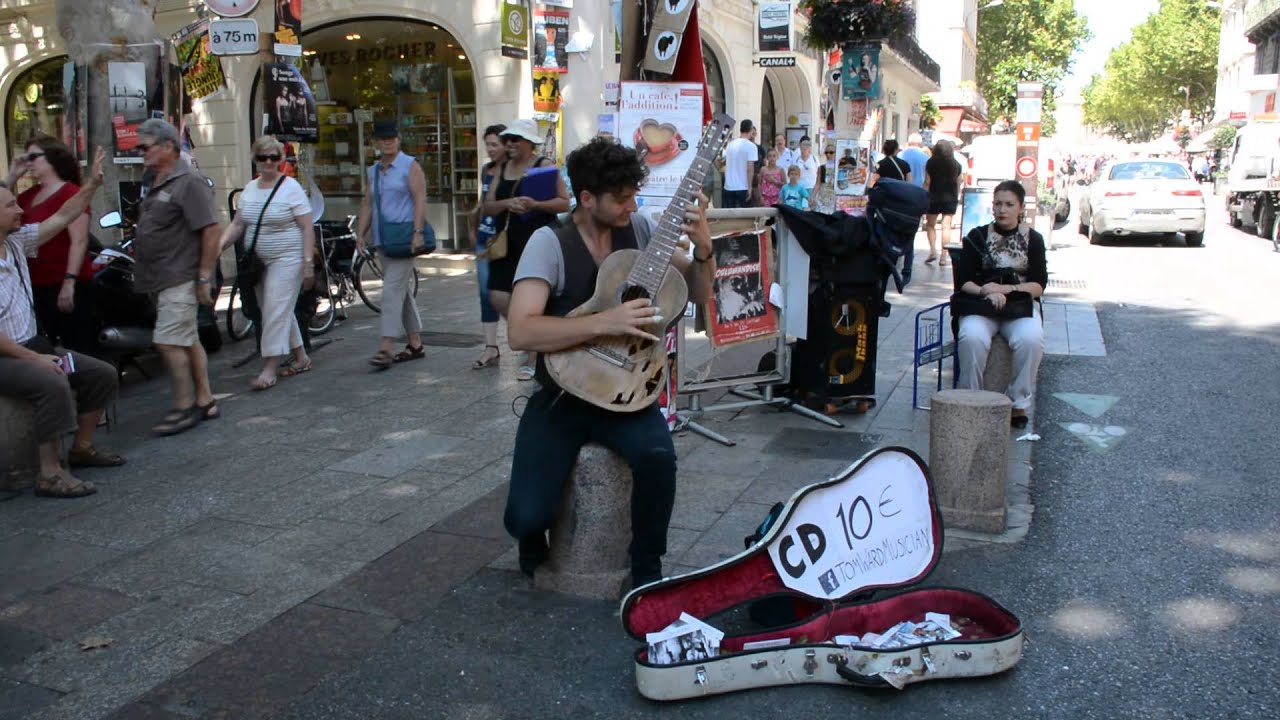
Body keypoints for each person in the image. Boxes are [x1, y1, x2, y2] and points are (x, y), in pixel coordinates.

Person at [503, 137, 714, 588]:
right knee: (523, 517)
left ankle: (645, 569)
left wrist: (703, 250)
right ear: (585, 198)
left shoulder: (638, 229)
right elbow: (521, 331)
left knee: (658, 457)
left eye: (633, 194)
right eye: (620, 198)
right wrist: (606, 320)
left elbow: (695, 293)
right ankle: (532, 538)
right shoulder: (549, 243)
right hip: (564, 392)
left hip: (628, 390)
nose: (631, 205)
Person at [1, 147, 124, 498]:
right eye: (11, 206)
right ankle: (50, 473)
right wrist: (36, 359)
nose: (20, 210)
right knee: (52, 382)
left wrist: (91, 186)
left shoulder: (16, 242)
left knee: (100, 373)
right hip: (7, 356)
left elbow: (63, 216)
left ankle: (81, 447)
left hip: (32, 345)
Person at [131, 119, 222, 436]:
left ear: (168, 146)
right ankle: (205, 399)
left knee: (168, 341)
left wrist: (203, 276)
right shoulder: (156, 179)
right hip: (162, 277)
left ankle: (185, 407)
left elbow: (211, 229)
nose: (140, 152)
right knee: (187, 339)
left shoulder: (188, 182)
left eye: (145, 147)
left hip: (180, 275)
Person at [219, 135, 315, 390]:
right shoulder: (250, 189)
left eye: (274, 157)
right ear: (256, 160)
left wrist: (308, 264)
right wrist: (218, 246)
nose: (269, 162)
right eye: (263, 157)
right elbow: (239, 224)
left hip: (288, 258)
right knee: (279, 309)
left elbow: (307, 228)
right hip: (258, 262)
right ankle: (302, 357)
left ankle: (269, 368)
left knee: (274, 310)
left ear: (280, 160)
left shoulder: (291, 188)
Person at [481, 118, 571, 381]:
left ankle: (533, 355)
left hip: (537, 240)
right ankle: (533, 334)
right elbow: (488, 205)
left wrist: (535, 204)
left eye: (514, 140)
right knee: (497, 294)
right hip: (507, 241)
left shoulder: (543, 167)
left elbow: (564, 203)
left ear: (529, 143)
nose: (509, 145)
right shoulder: (502, 167)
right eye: (507, 139)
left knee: (534, 296)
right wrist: (509, 202)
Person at [953, 180, 1046, 429]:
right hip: (982, 305)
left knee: (1031, 339)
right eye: (997, 204)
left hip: (1019, 307)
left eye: (1009, 204)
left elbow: (1039, 285)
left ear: (1020, 207)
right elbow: (963, 281)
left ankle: (1018, 403)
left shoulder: (1034, 239)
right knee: (971, 336)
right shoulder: (977, 236)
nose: (1002, 210)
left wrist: (1007, 290)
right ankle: (969, 399)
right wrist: (986, 290)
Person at [9, 135, 98, 356]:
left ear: (52, 158)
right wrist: (12, 176)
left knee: (77, 344)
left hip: (63, 281)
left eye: (33, 157)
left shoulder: (69, 193)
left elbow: (79, 240)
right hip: (35, 282)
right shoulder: (27, 196)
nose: (28, 163)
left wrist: (69, 282)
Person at [356, 120, 430, 370]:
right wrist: (359, 234)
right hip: (383, 240)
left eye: (392, 137)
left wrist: (418, 232)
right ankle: (415, 342)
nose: (387, 142)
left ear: (398, 139)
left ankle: (386, 346)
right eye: (382, 138)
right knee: (401, 292)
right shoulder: (373, 171)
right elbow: (368, 204)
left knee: (390, 292)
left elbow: (420, 199)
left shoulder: (410, 166)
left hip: (405, 239)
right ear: (376, 143)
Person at [469, 124, 506, 369]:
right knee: (486, 294)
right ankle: (491, 347)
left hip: (507, 241)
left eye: (495, 144)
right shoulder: (486, 170)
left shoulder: (515, 172)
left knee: (511, 296)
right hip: (485, 239)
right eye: (488, 144)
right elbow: (482, 204)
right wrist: (472, 230)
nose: (491, 149)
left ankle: (531, 347)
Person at [923, 140, 963, 267]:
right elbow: (959, 182)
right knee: (946, 226)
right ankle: (944, 256)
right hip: (950, 197)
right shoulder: (956, 164)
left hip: (934, 197)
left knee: (930, 225)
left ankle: (933, 251)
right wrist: (956, 196)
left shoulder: (931, 163)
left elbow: (927, 181)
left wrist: (923, 195)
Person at [721, 119, 757, 209]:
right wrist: (750, 187)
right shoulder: (751, 146)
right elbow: (750, 168)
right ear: (751, 129)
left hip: (729, 186)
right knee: (744, 217)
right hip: (743, 186)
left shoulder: (730, 145)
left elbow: (721, 162)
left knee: (729, 216)